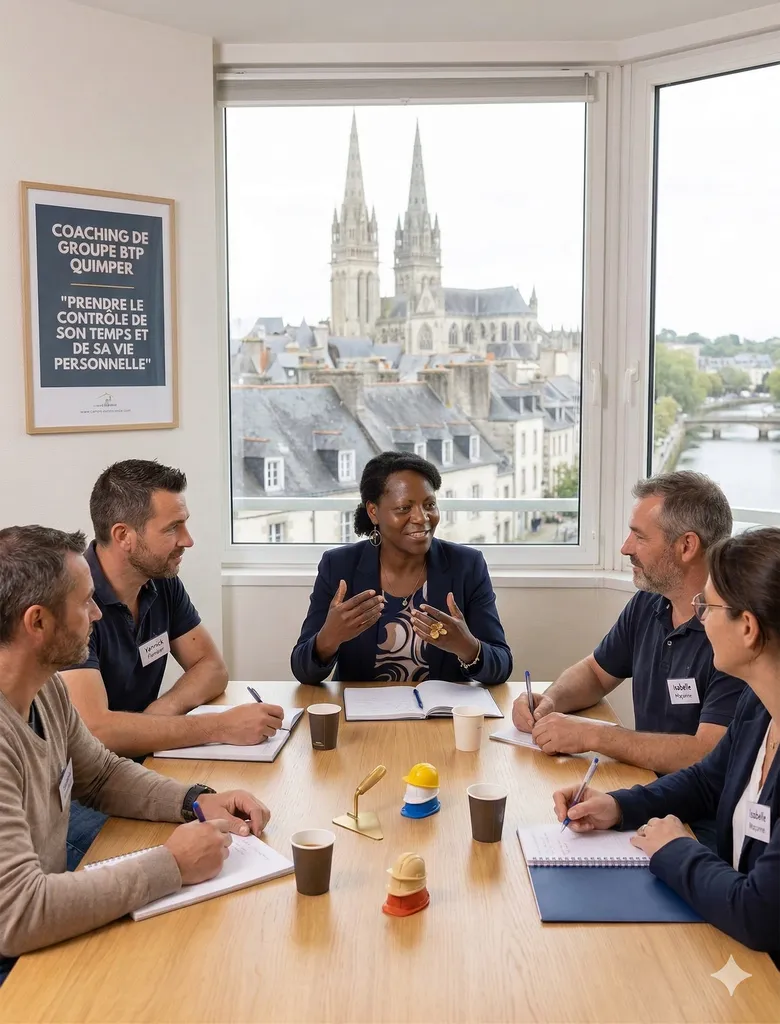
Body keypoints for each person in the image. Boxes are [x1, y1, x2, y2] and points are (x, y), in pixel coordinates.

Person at [0, 526, 271, 985]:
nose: (96, 615)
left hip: (41, 928)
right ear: (37, 622)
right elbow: (20, 913)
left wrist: (195, 799)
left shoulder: (46, 688)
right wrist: (171, 865)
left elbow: (102, 775)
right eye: (84, 602)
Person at [552, 527, 780, 968]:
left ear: (748, 628)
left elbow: (759, 913)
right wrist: (618, 806)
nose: (699, 616)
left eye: (707, 606)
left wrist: (675, 848)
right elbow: (706, 782)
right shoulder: (759, 705)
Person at [60, 460, 283, 866]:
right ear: (123, 536)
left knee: (227, 838)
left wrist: (159, 714)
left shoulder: (161, 582)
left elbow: (212, 668)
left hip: (132, 769)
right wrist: (218, 726)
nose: (188, 540)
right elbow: (98, 733)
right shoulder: (74, 603)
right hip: (79, 792)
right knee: (189, 854)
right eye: (172, 528)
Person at [513, 472, 745, 775]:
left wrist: (594, 735)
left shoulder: (734, 632)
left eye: (640, 536)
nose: (625, 548)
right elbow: (596, 673)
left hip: (694, 815)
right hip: (647, 787)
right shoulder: (650, 602)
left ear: (687, 546)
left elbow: (707, 753)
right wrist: (550, 701)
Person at [291, 451, 512, 685]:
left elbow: (502, 666)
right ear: (373, 512)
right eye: (404, 508)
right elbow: (303, 672)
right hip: (362, 717)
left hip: (440, 718)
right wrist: (328, 639)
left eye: (429, 505)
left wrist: (468, 648)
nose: (421, 517)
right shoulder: (339, 566)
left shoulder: (467, 565)